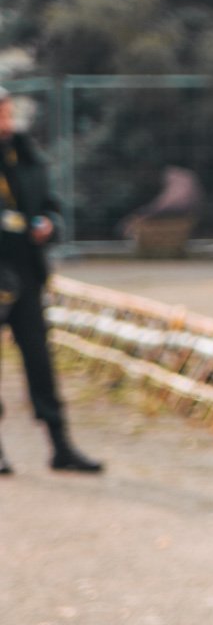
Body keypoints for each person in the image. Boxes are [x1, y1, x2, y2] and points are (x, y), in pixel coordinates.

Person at [0, 88, 103, 475]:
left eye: (7, 115)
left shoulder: (25, 156)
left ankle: (60, 446)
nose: (5, 124)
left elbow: (49, 205)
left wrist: (48, 225)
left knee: (40, 362)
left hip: (26, 275)